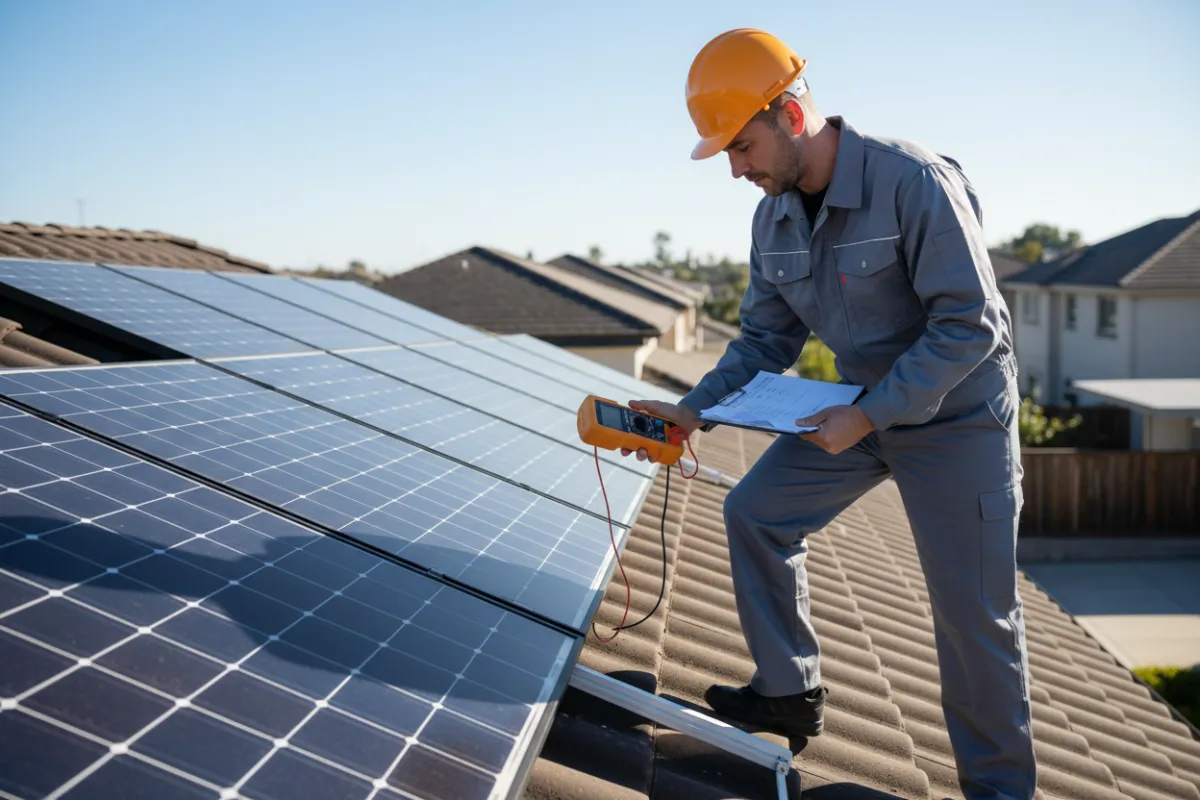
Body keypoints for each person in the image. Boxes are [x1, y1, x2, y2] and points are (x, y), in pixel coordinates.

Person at [620, 28, 1037, 800]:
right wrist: (688, 411)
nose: (737, 169)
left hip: (958, 419)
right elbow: (762, 341)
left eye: (742, 147)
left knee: (975, 621)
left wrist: (871, 415)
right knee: (756, 512)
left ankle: (999, 791)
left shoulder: (912, 180)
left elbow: (972, 326)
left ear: (791, 115)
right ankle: (789, 688)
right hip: (861, 410)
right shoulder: (773, 217)